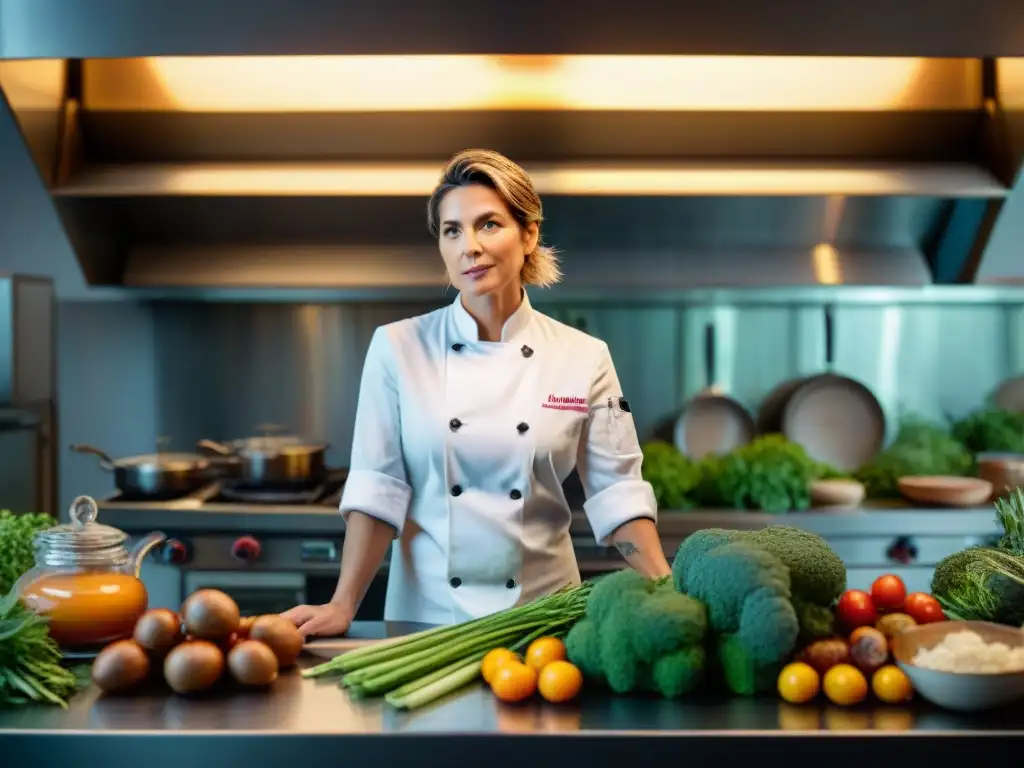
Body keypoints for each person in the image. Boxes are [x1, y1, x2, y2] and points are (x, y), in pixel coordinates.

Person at [282, 149, 672, 638]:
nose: (470, 246)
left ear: (528, 234)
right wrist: (343, 604)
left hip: (542, 618)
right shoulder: (397, 347)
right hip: (424, 623)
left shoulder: (583, 356)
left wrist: (668, 589)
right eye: (452, 230)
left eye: (489, 225)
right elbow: (376, 489)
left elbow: (617, 494)